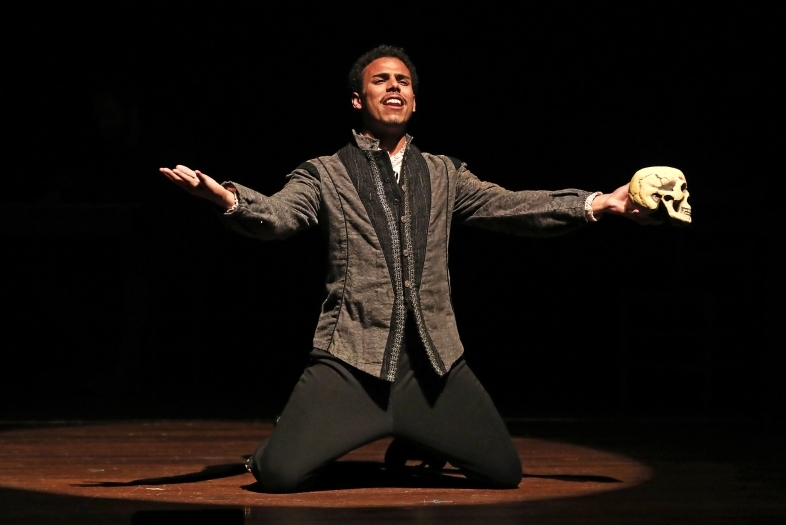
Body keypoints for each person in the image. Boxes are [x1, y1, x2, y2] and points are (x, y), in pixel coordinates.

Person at [160, 45, 654, 493]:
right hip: (352, 358)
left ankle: (420, 434)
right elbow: (281, 216)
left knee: (503, 473)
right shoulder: (324, 172)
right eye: (381, 80)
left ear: (414, 101)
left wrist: (597, 203)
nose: (394, 86)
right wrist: (231, 199)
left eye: (402, 81)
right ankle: (293, 437)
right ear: (357, 100)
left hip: (433, 365)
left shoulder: (444, 173)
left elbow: (511, 207)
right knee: (278, 475)